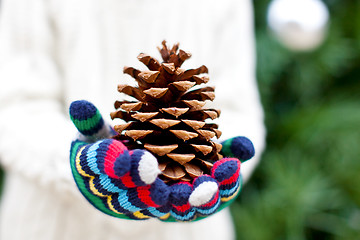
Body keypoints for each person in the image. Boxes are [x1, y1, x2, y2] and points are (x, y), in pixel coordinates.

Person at [0, 0, 266, 239]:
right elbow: (14, 106)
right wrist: (77, 162)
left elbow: (237, 108)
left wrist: (214, 162)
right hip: (50, 226)